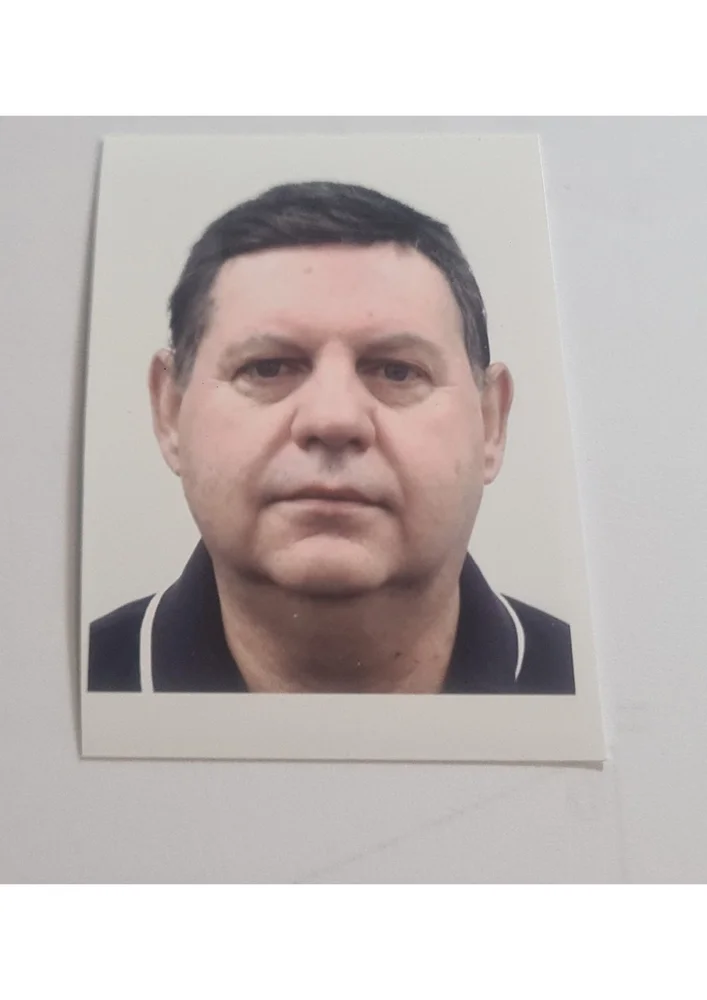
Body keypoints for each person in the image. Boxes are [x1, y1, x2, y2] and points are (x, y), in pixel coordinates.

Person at [88, 181, 574, 695]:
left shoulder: (584, 684)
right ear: (170, 411)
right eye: (268, 367)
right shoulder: (62, 689)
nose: (334, 419)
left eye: (397, 371)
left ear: (490, 422)